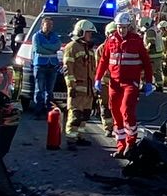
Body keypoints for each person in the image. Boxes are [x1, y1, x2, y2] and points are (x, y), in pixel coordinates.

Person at [95, 9, 155, 157]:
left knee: (126, 111)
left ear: (129, 27)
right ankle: (121, 145)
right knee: (115, 112)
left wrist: (148, 81)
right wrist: (98, 78)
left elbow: (147, 63)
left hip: (130, 83)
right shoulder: (111, 41)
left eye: (124, 27)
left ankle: (131, 142)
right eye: (119, 27)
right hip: (114, 83)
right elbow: (104, 61)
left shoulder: (136, 41)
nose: (121, 30)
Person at [60, 22, 98, 147]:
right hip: (77, 88)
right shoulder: (72, 47)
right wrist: (71, 86)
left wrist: (95, 88)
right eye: (88, 33)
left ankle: (79, 136)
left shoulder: (89, 49)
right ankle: (71, 139)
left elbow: (93, 69)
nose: (90, 36)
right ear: (81, 32)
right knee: (75, 115)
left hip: (88, 90)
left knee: (85, 116)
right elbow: (68, 69)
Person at [28, 15, 63, 113]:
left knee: (50, 90)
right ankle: (38, 110)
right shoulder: (36, 36)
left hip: (52, 65)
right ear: (42, 25)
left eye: (51, 25)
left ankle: (48, 109)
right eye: (48, 25)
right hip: (40, 65)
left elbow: (57, 46)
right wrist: (51, 49)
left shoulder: (55, 36)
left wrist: (46, 47)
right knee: (39, 89)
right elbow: (38, 49)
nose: (50, 27)